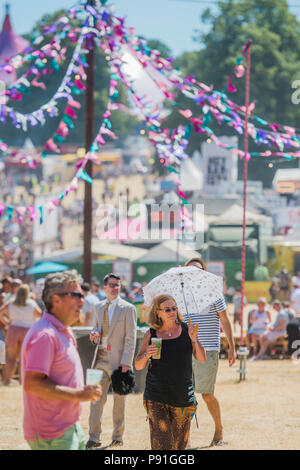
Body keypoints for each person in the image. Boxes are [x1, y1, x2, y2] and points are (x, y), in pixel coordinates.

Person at [21, 270, 102, 450]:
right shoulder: (45, 335)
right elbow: (32, 384)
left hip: (69, 427)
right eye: (76, 295)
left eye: (82, 295)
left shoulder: (62, 330)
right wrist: (78, 394)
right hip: (52, 433)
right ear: (56, 299)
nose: (82, 300)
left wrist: (81, 391)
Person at [135, 294, 206, 450]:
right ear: (158, 312)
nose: (172, 312)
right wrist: (146, 354)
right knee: (163, 444)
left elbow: (201, 358)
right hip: (156, 396)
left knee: (179, 446)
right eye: (167, 309)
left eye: (174, 308)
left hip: (183, 397)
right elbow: (138, 365)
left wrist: (194, 339)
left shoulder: (188, 330)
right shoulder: (151, 334)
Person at [184, 257, 236, 447]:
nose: (193, 274)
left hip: (209, 349)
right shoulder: (180, 296)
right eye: (189, 271)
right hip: (184, 351)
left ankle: (219, 429)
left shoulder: (213, 293)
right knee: (184, 395)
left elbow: (225, 320)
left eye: (197, 270)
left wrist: (232, 347)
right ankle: (185, 438)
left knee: (206, 394)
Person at [86, 273, 137, 450]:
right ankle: (93, 438)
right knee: (95, 401)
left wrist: (126, 362)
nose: (115, 287)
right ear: (105, 287)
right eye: (112, 285)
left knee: (119, 402)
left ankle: (117, 437)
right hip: (98, 360)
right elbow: (95, 328)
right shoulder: (98, 307)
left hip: (120, 362)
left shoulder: (128, 308)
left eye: (117, 285)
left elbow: (131, 337)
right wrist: (94, 335)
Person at [0, 284, 42, 386]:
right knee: (26, 357)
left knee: (10, 357)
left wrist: (6, 322)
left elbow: (0, 313)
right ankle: (22, 381)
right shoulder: (31, 303)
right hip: (27, 331)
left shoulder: (11, 303)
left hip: (13, 330)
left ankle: (7, 380)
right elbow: (40, 315)